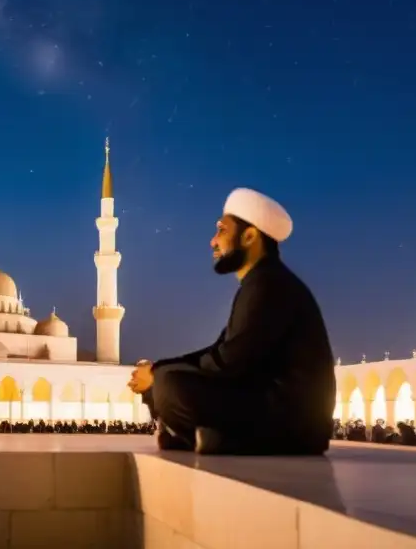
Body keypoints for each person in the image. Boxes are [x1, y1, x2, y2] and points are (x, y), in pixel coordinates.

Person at [127, 187, 335, 455]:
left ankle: (220, 439)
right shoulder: (262, 282)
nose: (213, 242)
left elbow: (228, 360)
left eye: (222, 231)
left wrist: (158, 374)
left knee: (170, 384)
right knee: (168, 379)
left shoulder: (268, 285)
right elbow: (224, 352)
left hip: (294, 422)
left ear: (249, 237)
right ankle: (209, 437)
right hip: (284, 414)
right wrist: (159, 369)